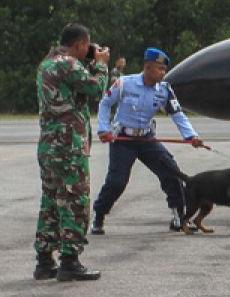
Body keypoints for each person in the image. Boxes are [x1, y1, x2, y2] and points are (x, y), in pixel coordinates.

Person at [93, 48, 206, 234]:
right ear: (147, 67)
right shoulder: (124, 83)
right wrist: (103, 129)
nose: (163, 73)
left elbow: (177, 114)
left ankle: (179, 216)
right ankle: (99, 216)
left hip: (146, 139)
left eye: (164, 69)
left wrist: (191, 136)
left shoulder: (164, 89)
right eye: (160, 69)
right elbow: (105, 104)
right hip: (122, 140)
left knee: (171, 171)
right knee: (116, 181)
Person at [34, 23, 110, 281]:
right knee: (75, 201)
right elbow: (96, 89)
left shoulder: (47, 64)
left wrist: (88, 64)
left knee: (51, 201)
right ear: (80, 44)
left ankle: (44, 261)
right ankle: (70, 260)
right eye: (86, 46)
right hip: (69, 145)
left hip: (48, 145)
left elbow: (73, 86)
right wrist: (101, 64)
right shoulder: (69, 64)